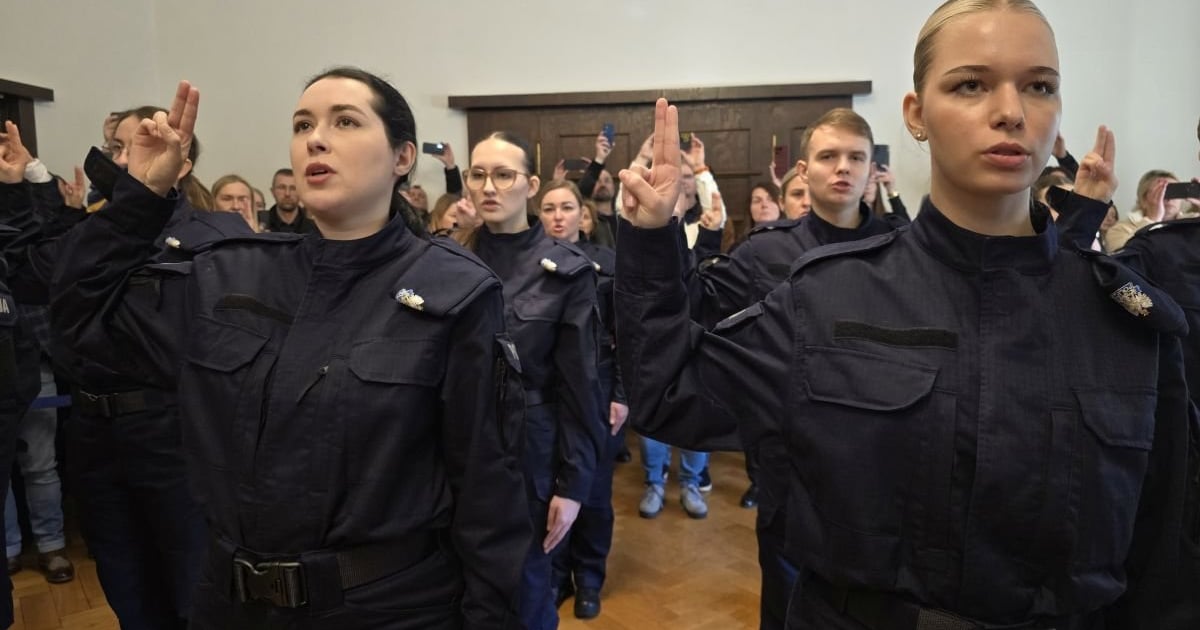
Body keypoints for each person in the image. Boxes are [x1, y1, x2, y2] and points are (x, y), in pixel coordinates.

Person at [612, 2, 1196, 629]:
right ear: (917, 115)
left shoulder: (1123, 320)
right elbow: (671, 390)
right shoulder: (830, 296)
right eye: (970, 84)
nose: (1010, 110)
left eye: (1039, 86)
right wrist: (649, 238)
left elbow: (1168, 558)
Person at [50, 68, 530, 629]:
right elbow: (79, 320)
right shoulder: (230, 274)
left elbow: (487, 492)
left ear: (402, 157)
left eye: (344, 121)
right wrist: (141, 198)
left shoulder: (453, 290)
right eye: (302, 124)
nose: (315, 139)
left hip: (386, 608)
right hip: (230, 604)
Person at [456, 132, 605, 630]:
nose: (488, 187)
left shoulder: (565, 272)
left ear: (531, 185)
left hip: (529, 454)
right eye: (478, 175)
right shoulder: (445, 261)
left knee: (527, 594)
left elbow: (581, 386)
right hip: (452, 451)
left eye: (503, 175)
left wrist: (573, 483)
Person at [537, 180, 626, 620]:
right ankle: (555, 576)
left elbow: (628, 336)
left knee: (591, 492)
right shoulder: (529, 264)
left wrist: (622, 395)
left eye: (566, 207)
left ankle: (589, 577)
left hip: (599, 389)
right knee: (547, 489)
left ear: (581, 214)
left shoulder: (607, 263)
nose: (558, 215)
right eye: (549, 207)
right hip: (544, 396)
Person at [1104, 169, 1184, 251]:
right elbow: (1123, 257)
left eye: (1175, 191)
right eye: (1160, 192)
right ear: (1143, 199)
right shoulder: (1119, 230)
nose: (1169, 199)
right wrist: (1152, 219)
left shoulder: (1194, 222)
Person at [262, 168, 315, 233]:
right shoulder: (261, 225)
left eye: (293, 188)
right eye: (282, 187)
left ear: (301, 192)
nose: (287, 193)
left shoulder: (315, 229)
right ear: (273, 191)